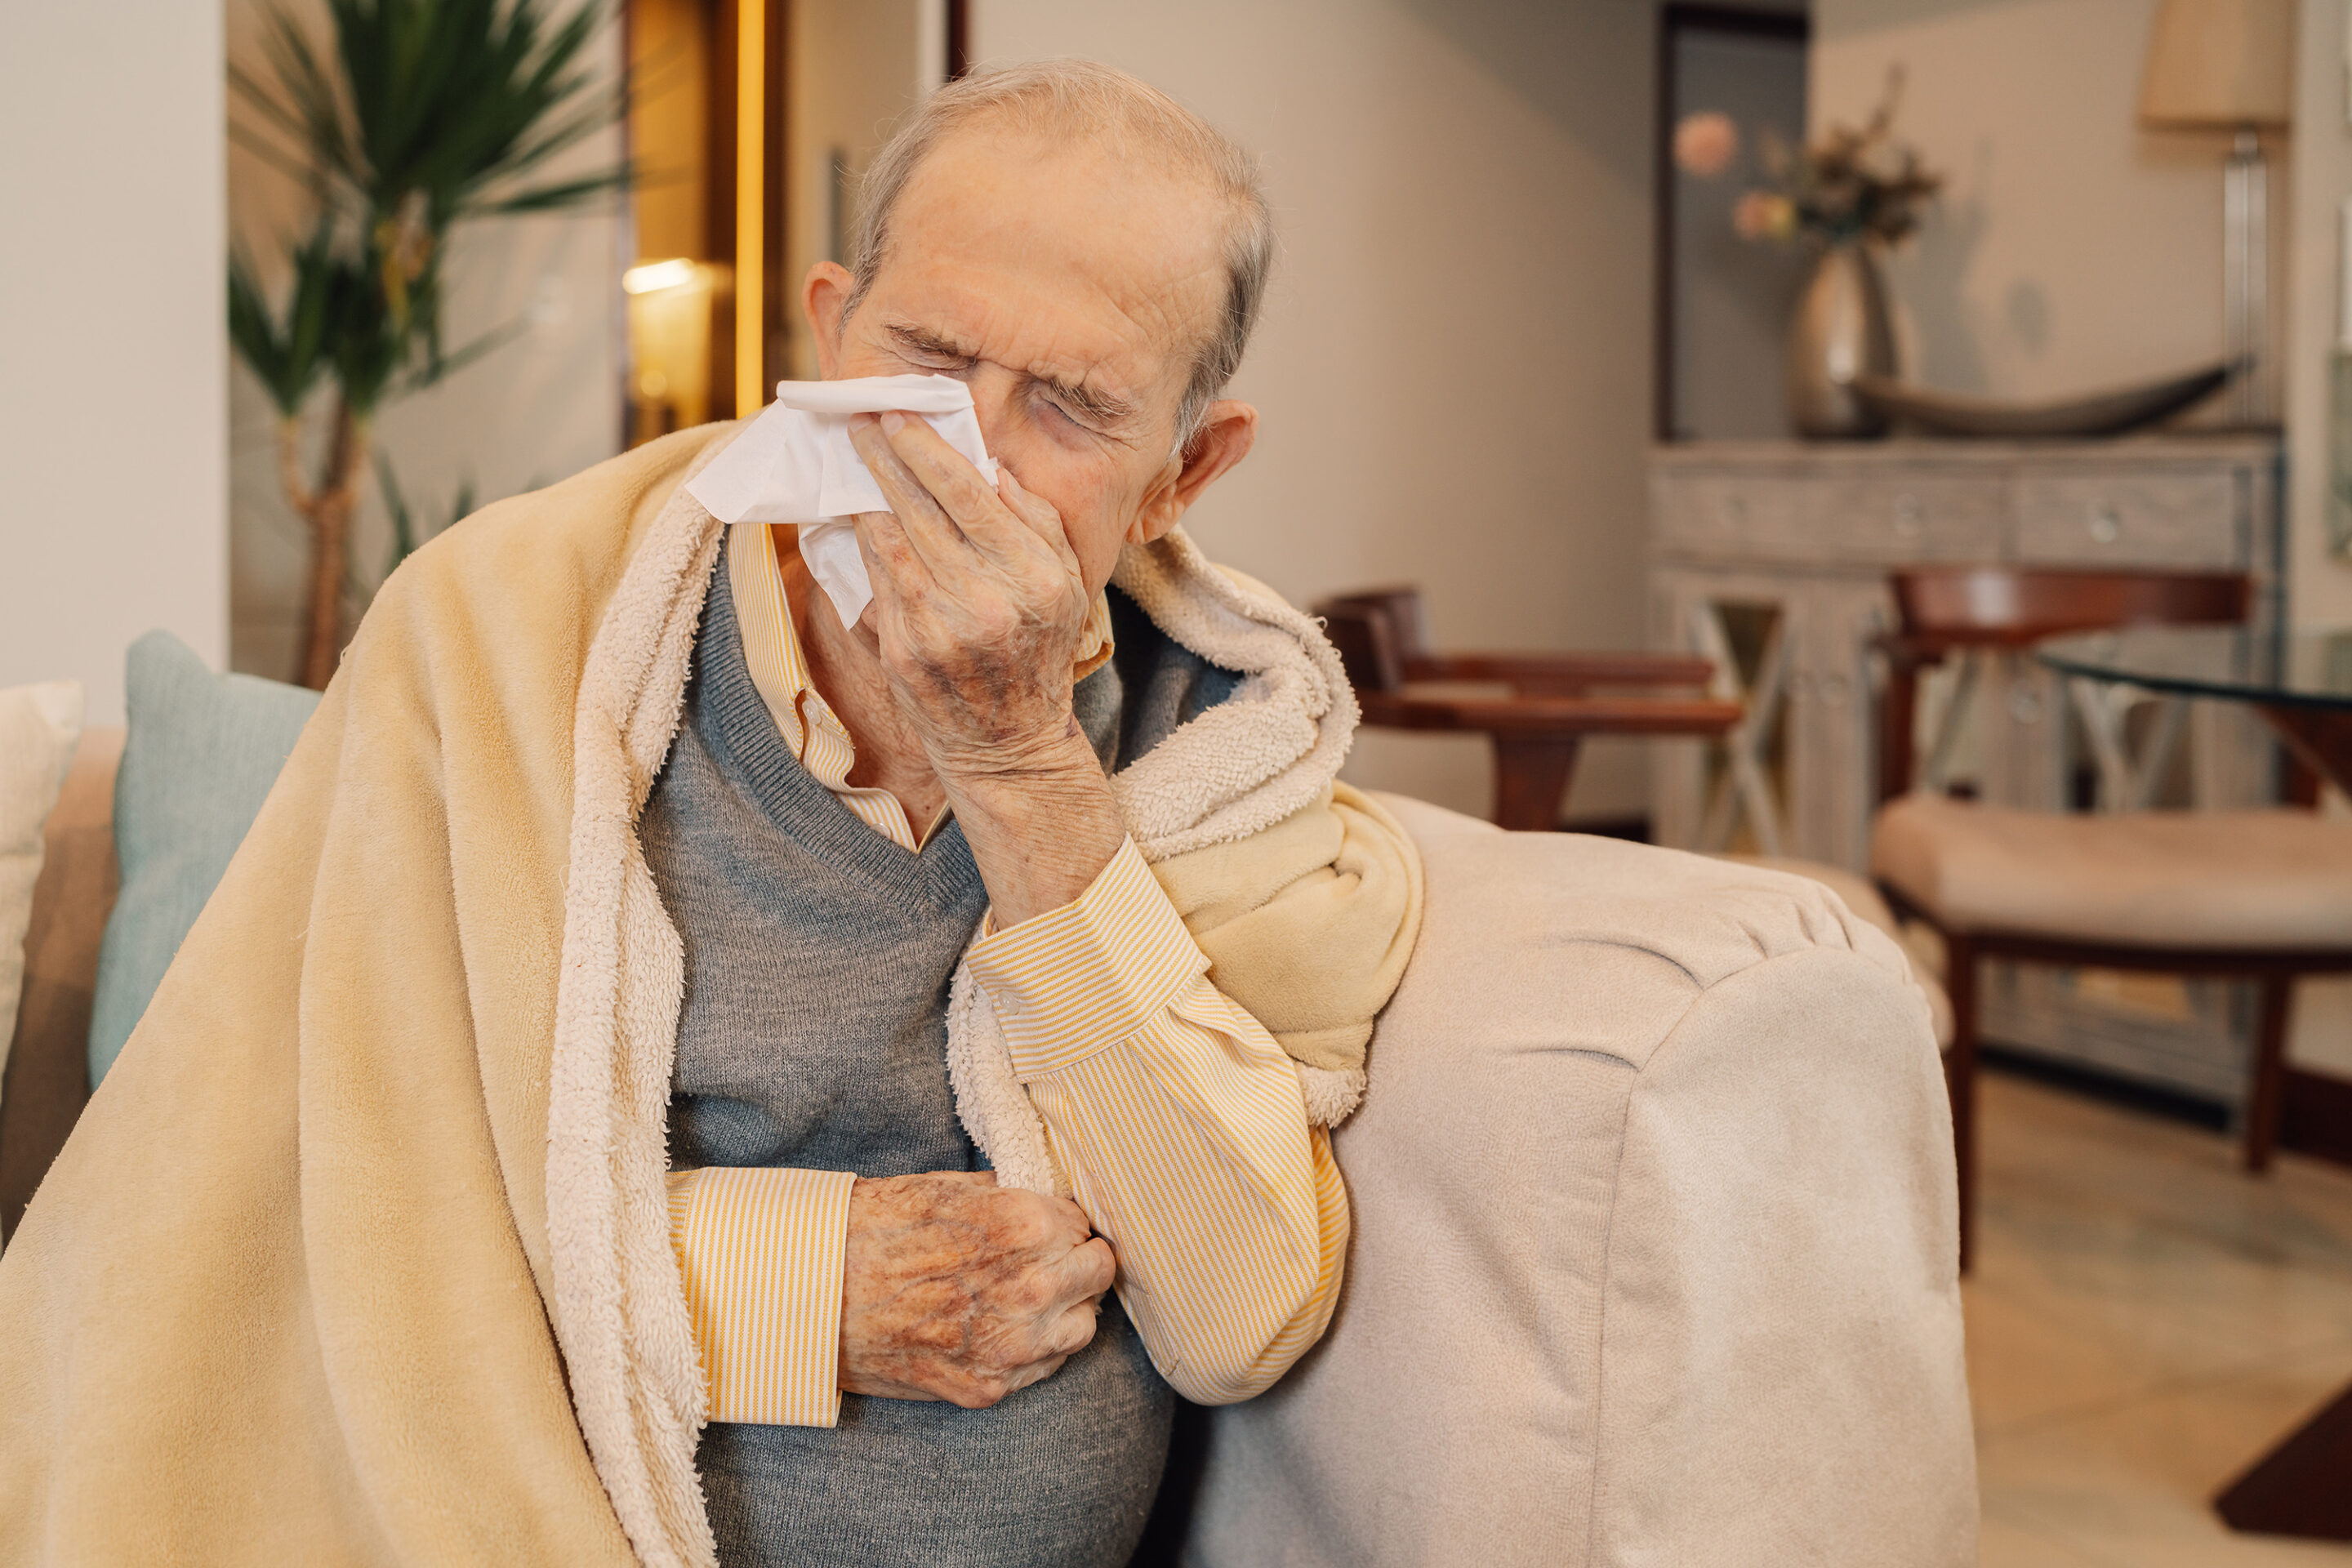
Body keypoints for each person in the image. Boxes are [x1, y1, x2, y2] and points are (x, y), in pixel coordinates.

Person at [0, 60, 1419, 1568]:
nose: (962, 457)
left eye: (1071, 407)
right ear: (827, 328)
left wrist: (1019, 765)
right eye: (925, 356)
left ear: (1179, 476)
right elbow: (323, 1212)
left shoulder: (1226, 742)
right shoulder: (497, 633)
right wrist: (789, 1285)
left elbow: (1235, 1315)